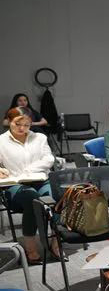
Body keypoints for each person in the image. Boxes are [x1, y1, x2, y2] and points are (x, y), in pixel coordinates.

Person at [0, 107, 61, 264]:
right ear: (8, 121)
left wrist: (28, 170)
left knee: (57, 197)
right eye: (17, 124)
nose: (22, 128)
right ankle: (31, 249)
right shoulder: (1, 141)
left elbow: (48, 159)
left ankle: (56, 244)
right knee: (32, 199)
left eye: (26, 125)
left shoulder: (39, 137)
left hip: (40, 180)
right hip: (15, 184)